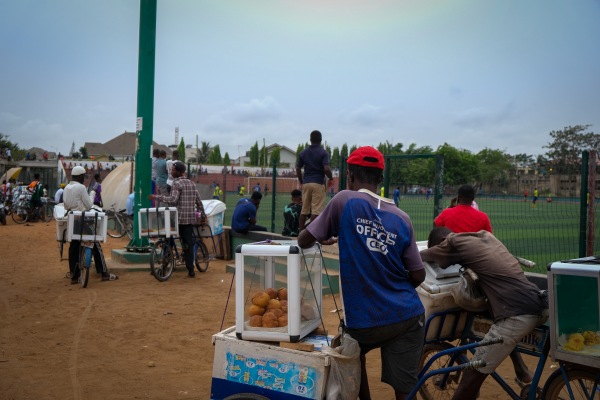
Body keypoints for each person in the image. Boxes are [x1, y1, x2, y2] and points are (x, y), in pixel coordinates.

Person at [298, 146, 425, 400]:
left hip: (364, 321)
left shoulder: (345, 199)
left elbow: (303, 239)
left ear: (350, 177)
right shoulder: (402, 217)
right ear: (380, 180)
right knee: (405, 388)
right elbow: (418, 275)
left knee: (351, 351)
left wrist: (326, 236)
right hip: (408, 316)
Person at [420, 227, 548, 400]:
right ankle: (521, 370)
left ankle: (520, 371)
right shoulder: (485, 237)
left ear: (443, 239)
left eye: (439, 246)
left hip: (518, 313)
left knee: (472, 376)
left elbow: (423, 256)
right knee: (497, 324)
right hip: (538, 303)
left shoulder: (453, 242)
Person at [150, 162, 206, 278]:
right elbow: (199, 201)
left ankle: (164, 267)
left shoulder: (176, 183)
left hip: (177, 219)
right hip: (189, 220)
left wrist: (157, 197)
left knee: (167, 241)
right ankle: (191, 270)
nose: (171, 171)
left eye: (174, 170)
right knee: (188, 245)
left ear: (179, 172)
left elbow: (173, 200)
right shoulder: (192, 183)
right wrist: (203, 215)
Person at [64, 166, 118, 283]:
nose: (84, 179)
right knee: (95, 243)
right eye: (83, 176)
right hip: (83, 220)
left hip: (72, 220)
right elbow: (89, 205)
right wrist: (92, 192)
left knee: (74, 246)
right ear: (79, 176)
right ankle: (104, 273)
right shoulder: (81, 187)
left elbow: (66, 205)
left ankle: (74, 275)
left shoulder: (67, 187)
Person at [295, 130, 333, 230]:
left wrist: (301, 181)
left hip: (307, 182)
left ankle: (301, 233)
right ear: (321, 140)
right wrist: (331, 177)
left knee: (304, 210)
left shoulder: (303, 153)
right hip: (318, 182)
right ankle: (311, 234)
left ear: (310, 140)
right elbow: (326, 168)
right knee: (316, 211)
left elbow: (298, 168)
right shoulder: (323, 152)